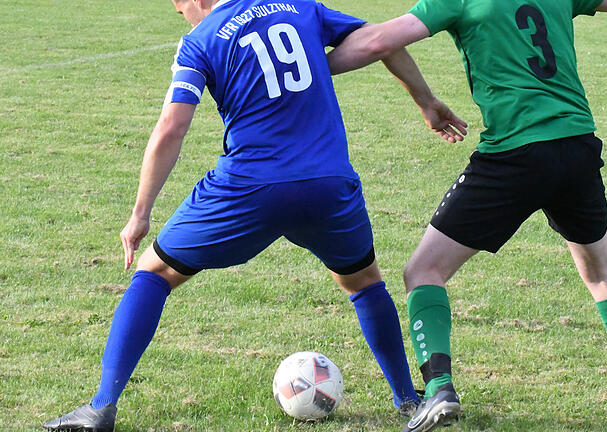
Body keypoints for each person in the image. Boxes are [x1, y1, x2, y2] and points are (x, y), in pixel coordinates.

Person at [42, 0, 468, 430]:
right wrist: (426, 101)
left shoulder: (200, 41)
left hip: (249, 188)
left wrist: (140, 213)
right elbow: (383, 41)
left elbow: (172, 127)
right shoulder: (300, 7)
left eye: (177, 4)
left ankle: (100, 407)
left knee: (154, 272)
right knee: (363, 282)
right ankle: (407, 399)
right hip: (328, 183)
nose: (178, 13)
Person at [326, 0, 607, 430]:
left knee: (423, 271)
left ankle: (439, 388)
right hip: (577, 147)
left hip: (514, 156)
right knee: (601, 270)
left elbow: (380, 40)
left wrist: (307, 68)